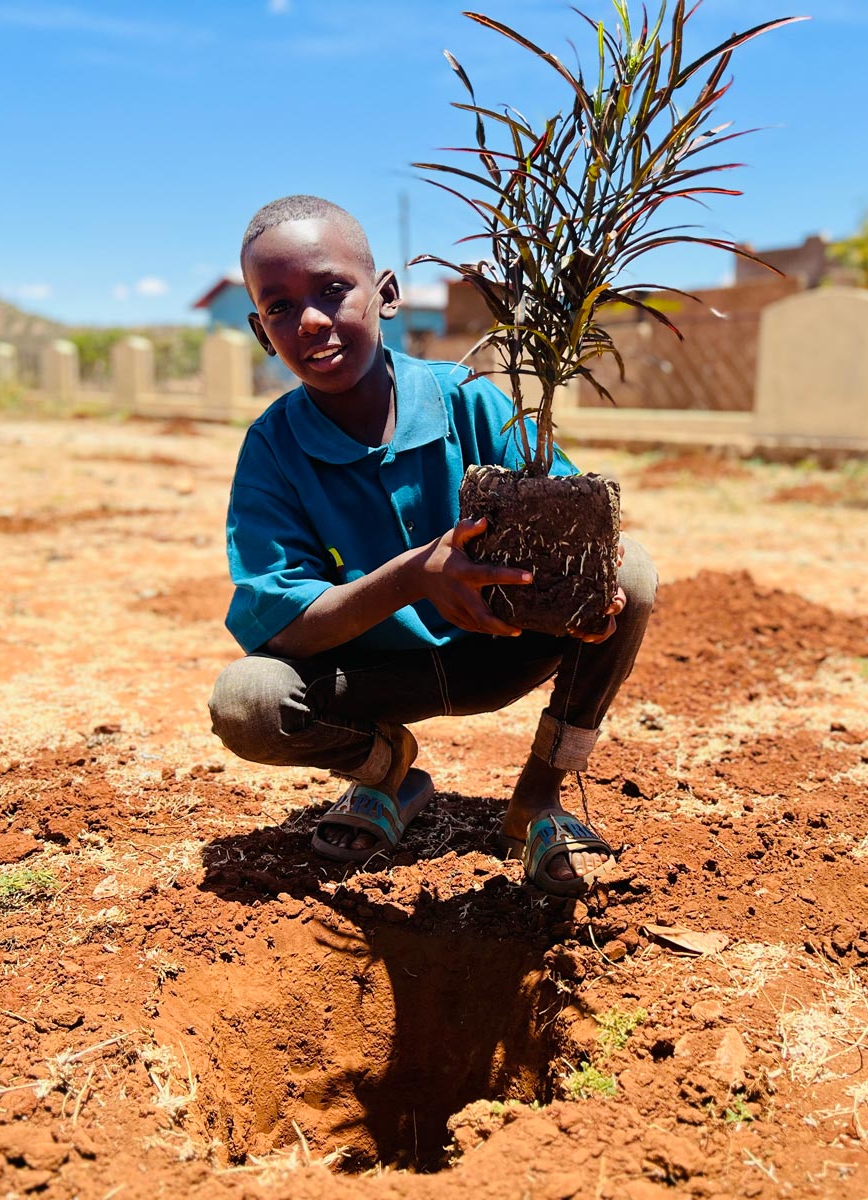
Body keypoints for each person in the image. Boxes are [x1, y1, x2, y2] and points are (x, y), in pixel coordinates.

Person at [208, 194, 657, 897]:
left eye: (332, 291)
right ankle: (387, 769)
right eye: (280, 308)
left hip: (500, 648)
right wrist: (415, 576)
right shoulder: (273, 449)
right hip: (373, 681)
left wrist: (589, 597)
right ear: (261, 331)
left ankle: (538, 797)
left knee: (630, 569)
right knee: (249, 700)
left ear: (386, 294)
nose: (312, 321)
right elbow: (281, 626)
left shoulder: (469, 399)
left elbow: (581, 531)